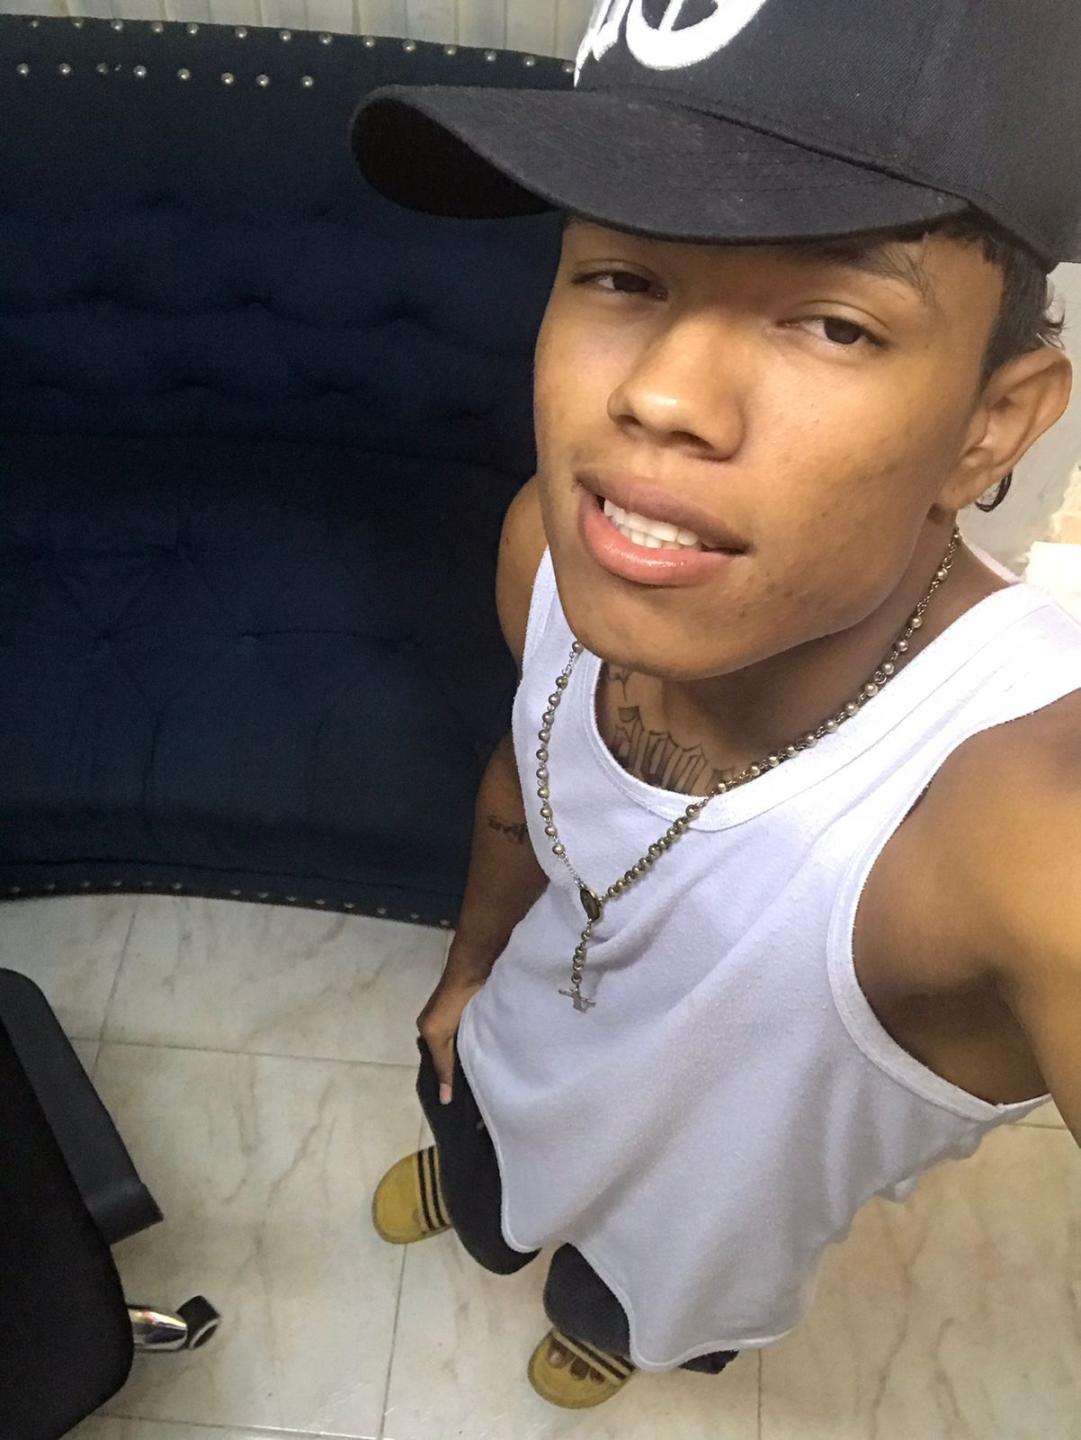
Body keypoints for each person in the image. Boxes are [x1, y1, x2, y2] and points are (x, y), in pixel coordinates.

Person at [350, 0, 1081, 1410]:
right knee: (487, 1193)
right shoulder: (552, 546)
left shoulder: (1016, 809)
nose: (661, 396)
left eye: (833, 322)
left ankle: (601, 1327)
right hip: (511, 1063)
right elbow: (521, 788)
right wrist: (467, 973)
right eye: (623, 274)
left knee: (622, 1303)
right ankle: (487, 1188)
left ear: (989, 426)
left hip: (701, 1226)